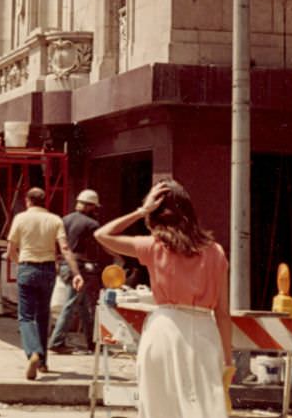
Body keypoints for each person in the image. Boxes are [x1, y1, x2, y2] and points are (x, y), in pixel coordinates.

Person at [94, 178, 233, 418]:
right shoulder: (215, 252)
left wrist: (140, 211)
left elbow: (102, 234)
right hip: (204, 333)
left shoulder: (153, 247)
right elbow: (222, 312)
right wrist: (228, 360)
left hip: (164, 331)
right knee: (204, 407)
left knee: (160, 407)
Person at [7, 187, 83, 380]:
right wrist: (76, 273)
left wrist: (21, 264)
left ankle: (33, 352)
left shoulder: (20, 218)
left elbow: (10, 250)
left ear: (27, 201)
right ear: (44, 201)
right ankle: (43, 363)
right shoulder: (55, 219)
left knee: (25, 317)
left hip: (27, 267)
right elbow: (65, 248)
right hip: (48, 269)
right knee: (43, 316)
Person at [49, 188, 107, 354]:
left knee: (83, 306)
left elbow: (57, 243)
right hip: (79, 268)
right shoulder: (92, 224)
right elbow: (97, 247)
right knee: (71, 303)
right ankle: (56, 341)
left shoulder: (64, 220)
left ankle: (92, 343)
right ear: (90, 206)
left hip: (64, 265)